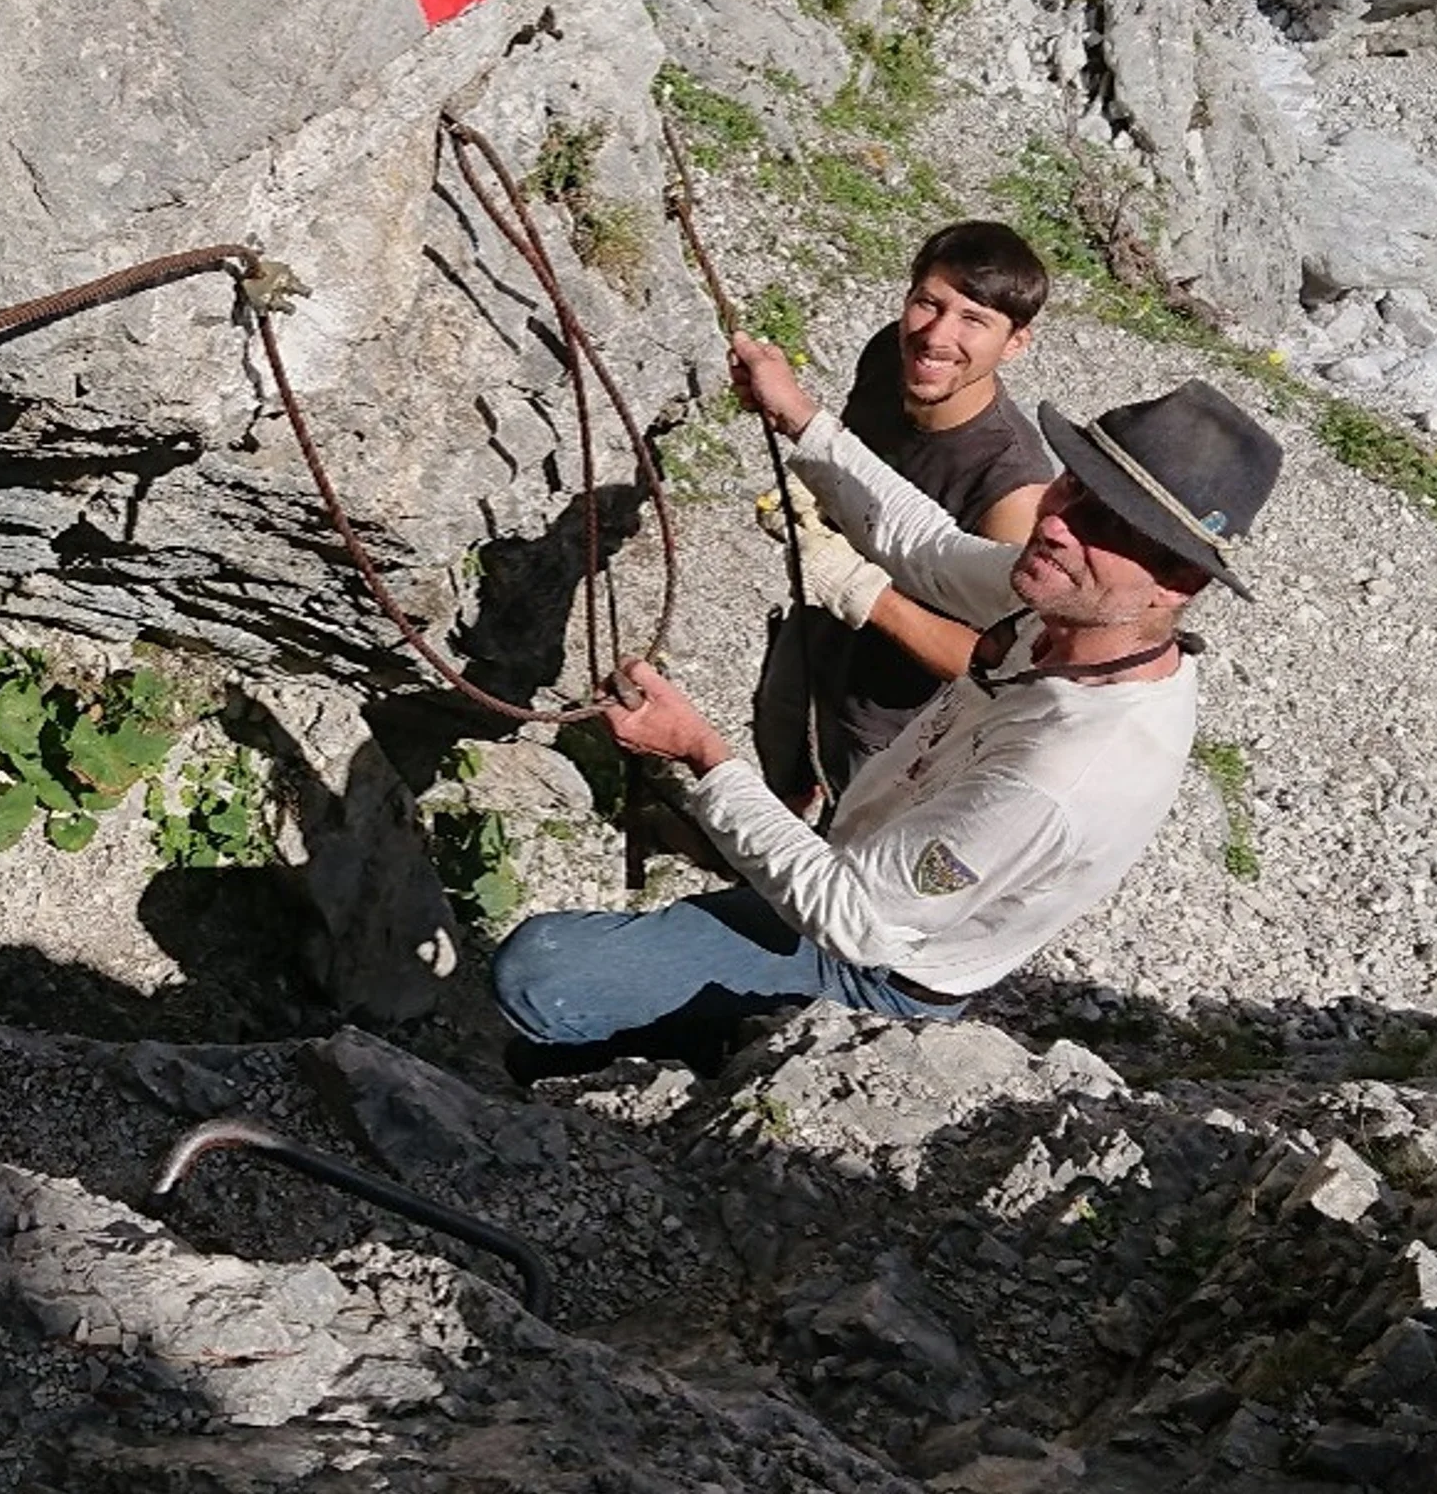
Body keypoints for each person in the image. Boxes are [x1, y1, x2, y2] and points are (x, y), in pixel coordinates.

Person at [495, 333, 1282, 1072]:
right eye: (1075, 486)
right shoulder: (1073, 610)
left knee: (541, 974)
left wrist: (700, 750)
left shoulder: (1065, 773)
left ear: (1179, 582)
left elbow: (854, 917)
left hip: (878, 963)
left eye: (1108, 524)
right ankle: (671, 1029)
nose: (1058, 526)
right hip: (870, 871)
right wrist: (802, 421)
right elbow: (933, 551)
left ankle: (701, 1048)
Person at [754, 220, 1053, 815]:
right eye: (928, 304)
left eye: (975, 320)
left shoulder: (1013, 490)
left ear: (1015, 342)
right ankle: (761, 844)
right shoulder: (890, 356)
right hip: (818, 632)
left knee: (852, 839)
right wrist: (818, 495)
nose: (937, 337)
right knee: (780, 743)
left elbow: (992, 663)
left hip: (893, 715)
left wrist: (862, 592)